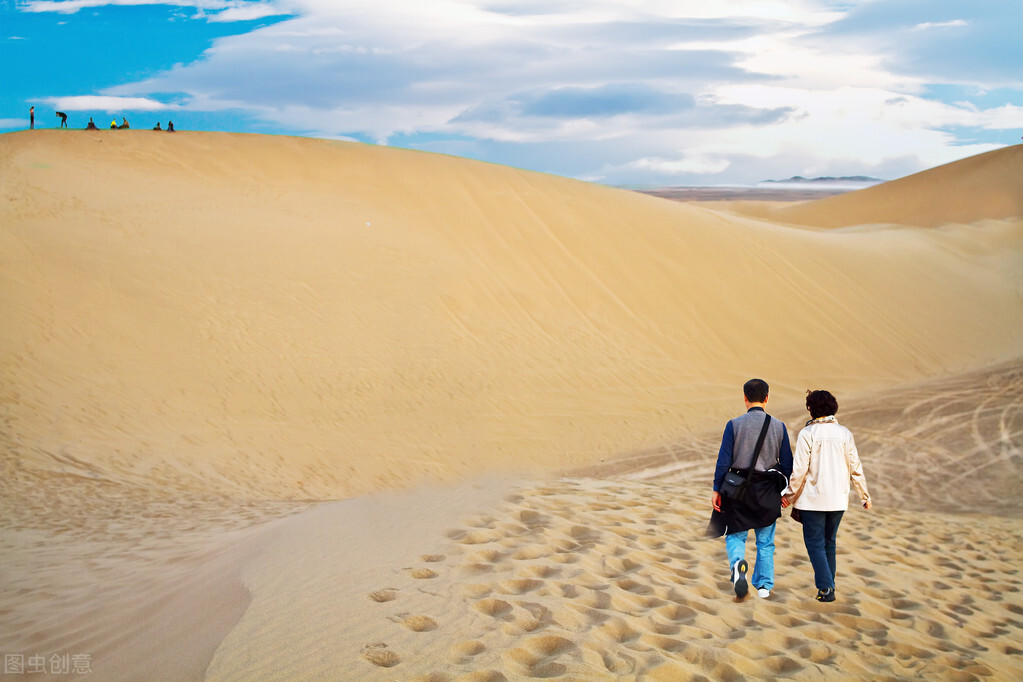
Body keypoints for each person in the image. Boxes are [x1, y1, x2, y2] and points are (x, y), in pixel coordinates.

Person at [782, 390, 871, 603]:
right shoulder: (844, 433)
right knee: (829, 542)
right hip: (839, 499)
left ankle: (826, 587)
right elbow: (855, 467)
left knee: (814, 543)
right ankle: (829, 587)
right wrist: (864, 495)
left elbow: (800, 469)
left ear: (812, 409)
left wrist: (789, 495)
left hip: (814, 499)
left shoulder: (808, 434)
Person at [711, 379, 793, 599]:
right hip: (767, 490)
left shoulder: (734, 424)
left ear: (745, 397)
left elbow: (723, 461)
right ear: (767, 398)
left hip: (737, 489)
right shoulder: (779, 426)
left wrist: (717, 489)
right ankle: (764, 588)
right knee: (765, 542)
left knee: (735, 536)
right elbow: (787, 464)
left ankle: (738, 566)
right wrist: (784, 492)